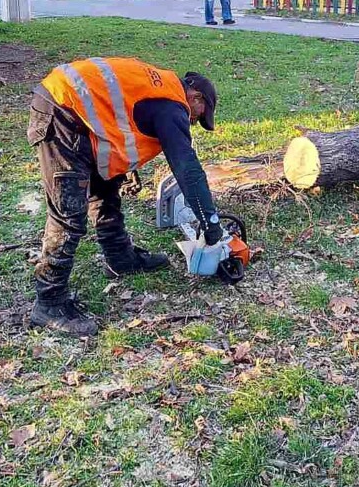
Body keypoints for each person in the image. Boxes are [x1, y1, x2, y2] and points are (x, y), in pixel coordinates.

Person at [26, 58, 223, 336]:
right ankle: (49, 301)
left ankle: (119, 258)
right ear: (195, 96)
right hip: (62, 112)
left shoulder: (159, 89)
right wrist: (209, 220)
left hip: (78, 115)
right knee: (68, 214)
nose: (194, 121)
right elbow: (187, 169)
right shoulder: (172, 105)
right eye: (199, 115)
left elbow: (120, 115)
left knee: (105, 188)